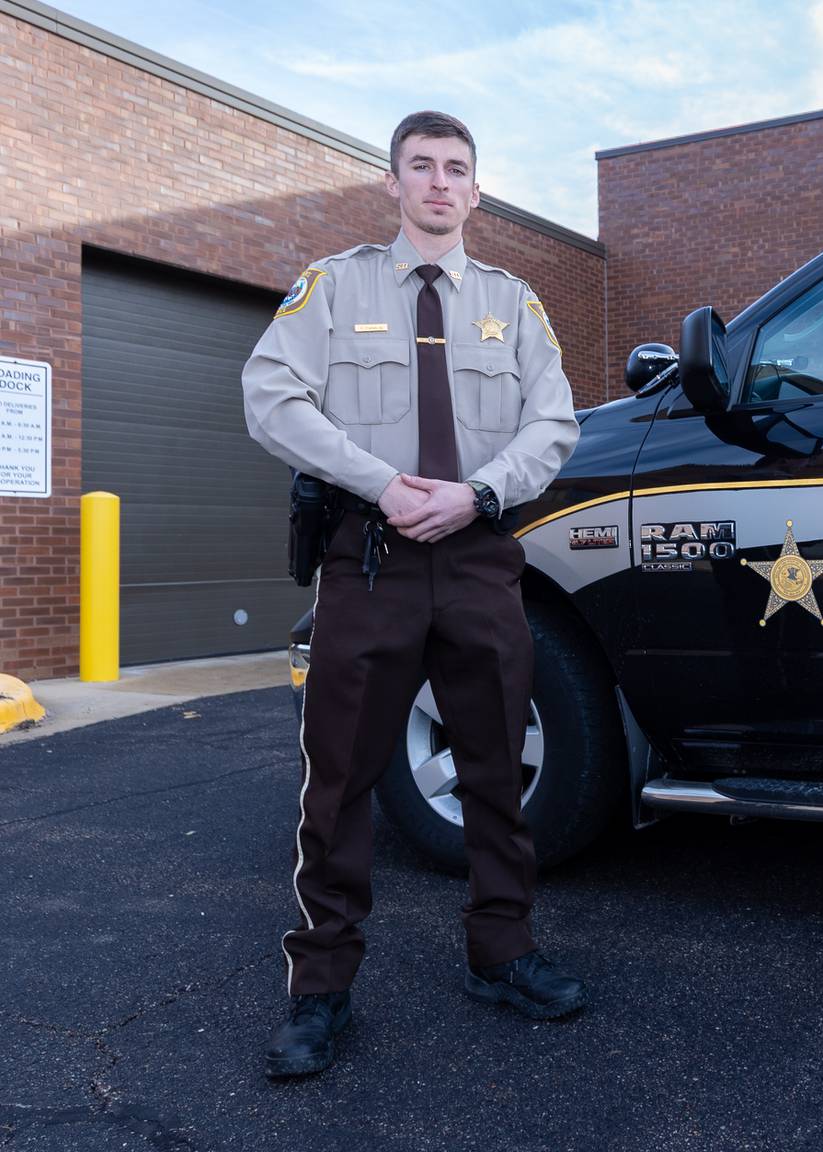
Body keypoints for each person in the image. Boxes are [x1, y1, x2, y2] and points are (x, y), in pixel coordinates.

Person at [242, 110, 584, 1079]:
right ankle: (320, 989)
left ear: (477, 191)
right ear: (391, 184)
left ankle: (502, 953)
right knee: (340, 779)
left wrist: (479, 493)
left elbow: (553, 423)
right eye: (421, 166)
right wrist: (380, 483)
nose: (439, 182)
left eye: (456, 168)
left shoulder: (513, 302)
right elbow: (270, 397)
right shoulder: (335, 286)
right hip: (371, 559)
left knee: (495, 769)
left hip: (478, 558)